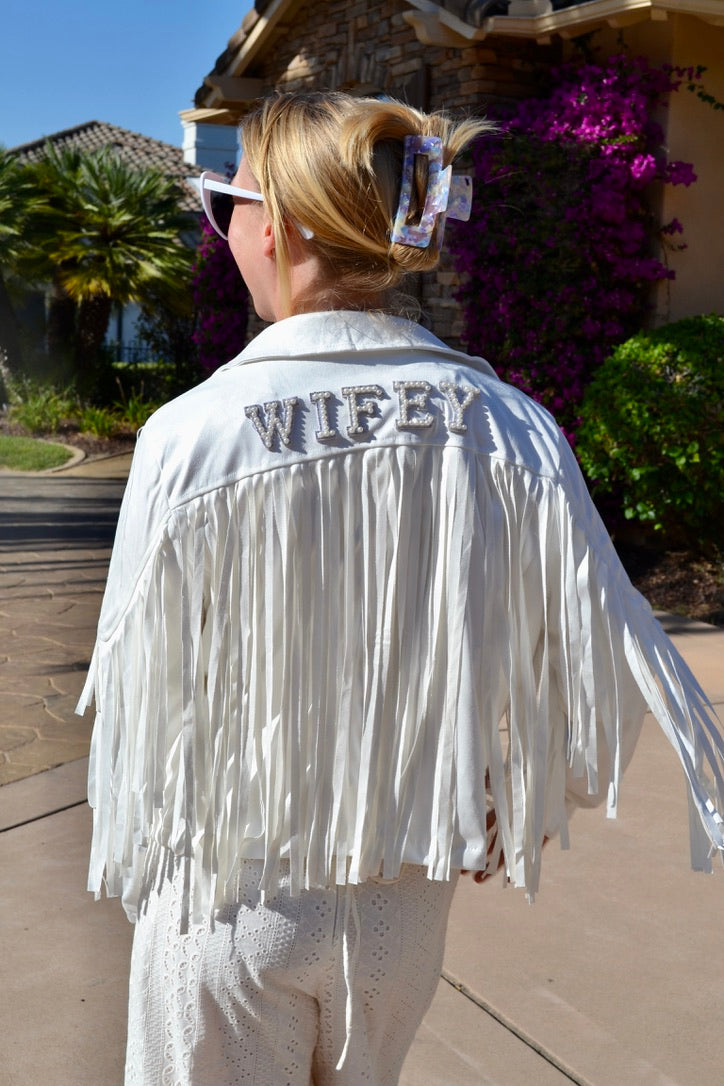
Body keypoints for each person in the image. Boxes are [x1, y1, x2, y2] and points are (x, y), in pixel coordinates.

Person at [78, 91, 724, 1086]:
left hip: (234, 892)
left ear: (282, 227)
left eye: (224, 204)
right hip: (401, 908)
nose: (225, 230)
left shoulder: (197, 433)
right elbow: (602, 641)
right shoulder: (508, 427)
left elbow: (138, 691)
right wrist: (524, 789)